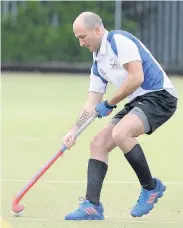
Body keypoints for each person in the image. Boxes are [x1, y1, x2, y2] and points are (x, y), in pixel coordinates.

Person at [63, 12, 178, 220]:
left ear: (97, 30)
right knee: (98, 143)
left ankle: (150, 188)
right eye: (78, 38)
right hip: (138, 100)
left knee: (120, 133)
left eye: (82, 37)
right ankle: (92, 206)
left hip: (159, 95)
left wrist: (110, 103)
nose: (81, 43)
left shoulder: (118, 40)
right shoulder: (97, 62)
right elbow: (91, 103)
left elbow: (136, 77)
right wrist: (73, 130)